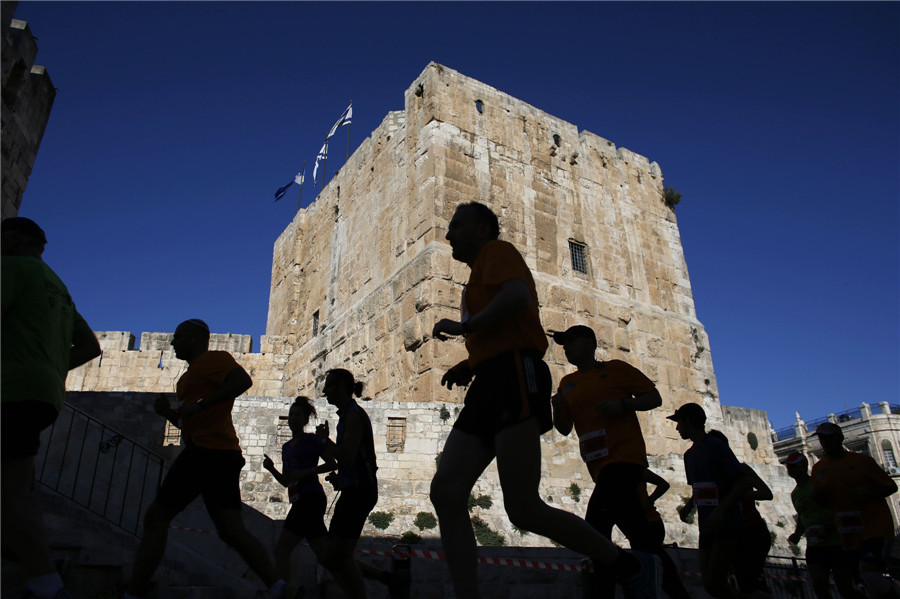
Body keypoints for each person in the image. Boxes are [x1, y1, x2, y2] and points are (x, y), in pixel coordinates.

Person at [430, 201, 660, 599]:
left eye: (456, 225)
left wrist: (465, 326)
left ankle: (629, 564)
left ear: (483, 229)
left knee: (522, 507)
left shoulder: (496, 252)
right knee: (446, 492)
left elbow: (518, 298)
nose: (448, 234)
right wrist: (471, 362)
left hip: (514, 376)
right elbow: (502, 329)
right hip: (489, 380)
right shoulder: (474, 280)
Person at [123, 319, 285, 599]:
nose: (172, 343)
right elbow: (190, 422)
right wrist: (169, 414)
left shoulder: (214, 360)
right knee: (231, 531)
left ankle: (133, 593)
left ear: (195, 338)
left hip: (207, 452)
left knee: (157, 516)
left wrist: (201, 404)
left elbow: (242, 381)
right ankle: (281, 588)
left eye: (178, 337)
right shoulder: (186, 379)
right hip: (219, 453)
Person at [1, 217, 102, 599]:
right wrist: (47, 368)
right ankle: (35, 571)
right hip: (44, 393)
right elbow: (91, 347)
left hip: (7, 389)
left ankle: (44, 581)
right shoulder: (58, 287)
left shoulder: (8, 269)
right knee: (15, 488)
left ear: (11, 240)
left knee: (11, 492)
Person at [550, 325, 671, 598]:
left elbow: (654, 397)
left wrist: (624, 405)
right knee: (642, 538)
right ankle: (671, 586)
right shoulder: (567, 383)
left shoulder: (616, 369)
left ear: (590, 343)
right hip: (599, 465)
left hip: (626, 458)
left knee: (595, 525)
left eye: (571, 341)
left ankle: (604, 589)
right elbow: (563, 428)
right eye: (563, 342)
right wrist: (557, 409)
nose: (565, 347)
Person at [669, 403, 754, 599]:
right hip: (706, 525)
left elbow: (741, 482)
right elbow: (699, 489)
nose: (677, 428)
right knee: (709, 585)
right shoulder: (689, 455)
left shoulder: (716, 446)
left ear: (688, 421)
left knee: (716, 583)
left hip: (727, 523)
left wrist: (721, 509)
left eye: (679, 423)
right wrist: (688, 507)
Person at [313, 368, 380, 599]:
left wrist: (324, 440)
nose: (325, 391)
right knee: (336, 557)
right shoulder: (347, 416)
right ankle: (387, 580)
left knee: (336, 557)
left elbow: (348, 456)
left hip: (359, 492)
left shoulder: (352, 416)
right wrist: (340, 478)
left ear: (341, 387)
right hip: (354, 489)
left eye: (329, 386)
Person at [811, 422, 898, 598]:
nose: (825, 442)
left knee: (870, 574)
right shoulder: (819, 468)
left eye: (829, 437)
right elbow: (825, 503)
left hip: (874, 527)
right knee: (859, 581)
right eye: (822, 439)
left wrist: (870, 493)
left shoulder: (862, 462)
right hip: (847, 532)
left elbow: (891, 486)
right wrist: (818, 498)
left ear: (840, 438)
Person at [263, 396, 338, 593]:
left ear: (306, 420)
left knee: (282, 549)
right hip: (299, 500)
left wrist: (308, 472)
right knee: (325, 556)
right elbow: (287, 481)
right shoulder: (286, 448)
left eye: (298, 415)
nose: (293, 418)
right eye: (291, 415)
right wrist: (271, 469)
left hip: (311, 497)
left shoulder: (311, 440)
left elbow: (332, 463)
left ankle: (284, 592)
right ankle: (375, 577)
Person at [784, 451, 865, 599]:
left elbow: (840, 507)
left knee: (844, 587)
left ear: (803, 466)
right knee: (818, 585)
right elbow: (802, 515)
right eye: (789, 467)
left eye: (794, 466)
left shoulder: (818, 484)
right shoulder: (795, 494)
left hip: (835, 541)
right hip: (814, 544)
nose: (791, 470)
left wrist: (829, 527)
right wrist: (797, 533)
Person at [706, 429, 774, 598]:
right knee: (727, 582)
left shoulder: (741, 469)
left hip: (752, 530)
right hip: (730, 531)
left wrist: (739, 495)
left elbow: (766, 493)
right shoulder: (712, 473)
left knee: (747, 583)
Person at [638, 470, 693, 599]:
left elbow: (664, 484)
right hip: (641, 526)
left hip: (650, 524)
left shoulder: (635, 470)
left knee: (663, 571)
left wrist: (648, 502)